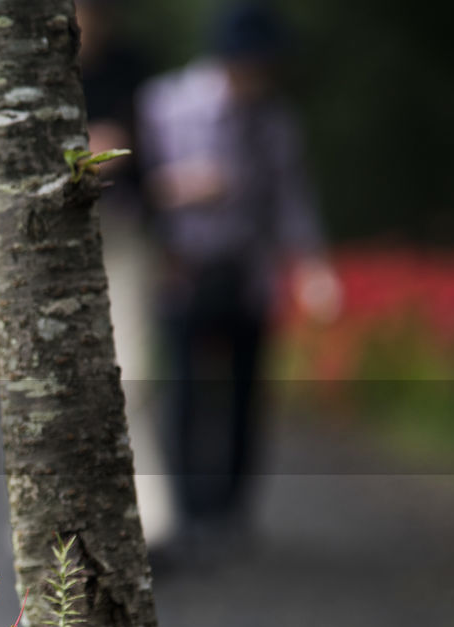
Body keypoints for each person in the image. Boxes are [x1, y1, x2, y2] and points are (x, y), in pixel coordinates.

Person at [136, 3, 340, 539]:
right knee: (184, 391)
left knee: (246, 393)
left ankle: (231, 511)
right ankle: (186, 508)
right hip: (184, 268)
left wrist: (313, 268)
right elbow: (130, 184)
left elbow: (292, 200)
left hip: (247, 274)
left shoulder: (276, 121)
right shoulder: (166, 105)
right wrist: (179, 187)